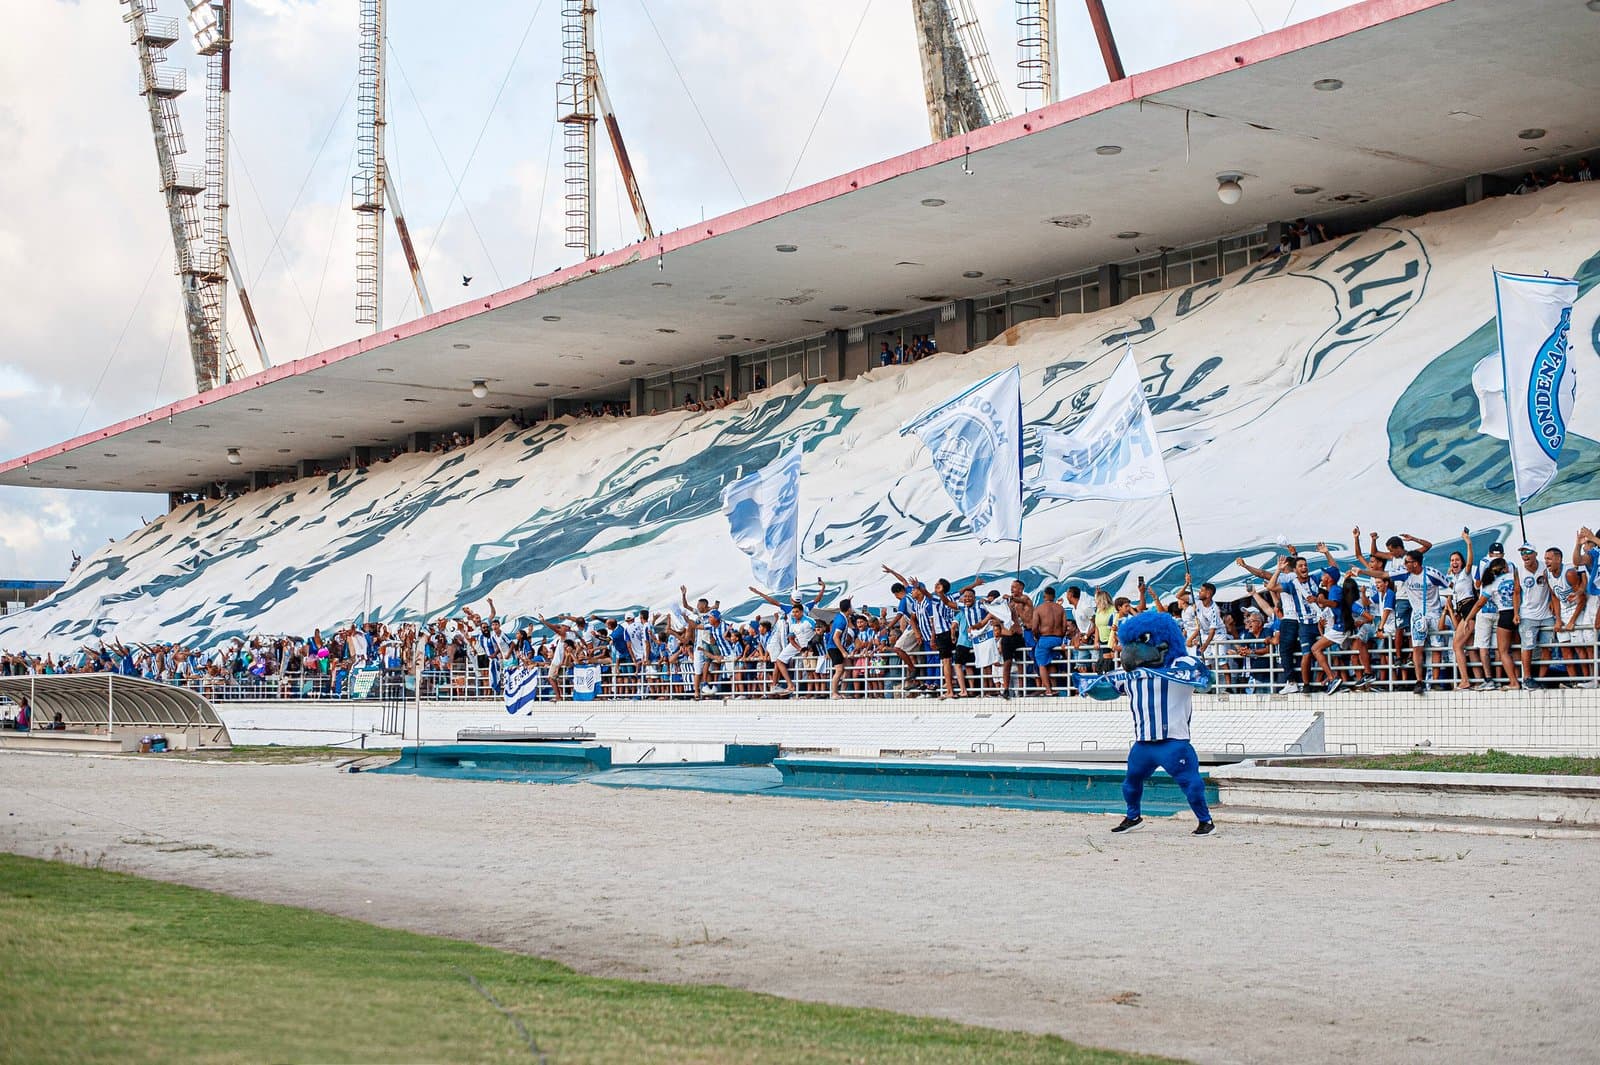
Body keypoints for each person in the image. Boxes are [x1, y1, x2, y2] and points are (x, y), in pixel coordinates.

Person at [1073, 612, 1215, 836]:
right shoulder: (1130, 674)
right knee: (1131, 782)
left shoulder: (1183, 663)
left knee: (1191, 783)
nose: (1133, 649)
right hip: (1143, 743)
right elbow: (1106, 691)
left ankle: (1205, 821)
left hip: (1174, 742)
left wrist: (1205, 673)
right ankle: (1133, 817)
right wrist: (1093, 683)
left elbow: (1205, 683)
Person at [1512, 543, 1555, 689]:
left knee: (1548, 648)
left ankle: (1541, 679)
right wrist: (1516, 613)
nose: (1525, 555)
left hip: (1546, 614)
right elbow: (1516, 592)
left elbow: (1552, 587)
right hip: (1527, 615)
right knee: (1527, 647)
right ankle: (1527, 678)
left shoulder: (1545, 567)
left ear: (1535, 554)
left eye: (1528, 552)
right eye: (1522, 553)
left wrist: (1552, 602)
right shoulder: (1518, 570)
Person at [1032, 587, 1067, 696]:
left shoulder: (1039, 609)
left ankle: (1048, 690)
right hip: (1058, 639)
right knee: (1051, 662)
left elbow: (1034, 628)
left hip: (1045, 638)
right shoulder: (1060, 609)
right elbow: (1064, 626)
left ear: (1044, 596)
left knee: (1042, 664)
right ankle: (1054, 687)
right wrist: (1060, 637)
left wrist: (1037, 637)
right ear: (1054, 596)